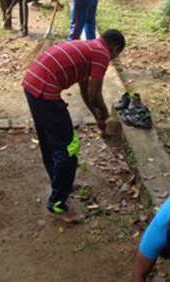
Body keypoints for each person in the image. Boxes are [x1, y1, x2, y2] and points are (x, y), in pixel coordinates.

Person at [23, 29, 126, 224]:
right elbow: (95, 95)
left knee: (49, 140)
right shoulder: (102, 54)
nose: (112, 59)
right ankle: (57, 204)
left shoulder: (88, 47)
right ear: (114, 48)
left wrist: (97, 117)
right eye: (116, 55)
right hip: (45, 91)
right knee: (69, 146)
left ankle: (59, 184)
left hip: (32, 84)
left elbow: (84, 90)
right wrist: (103, 111)